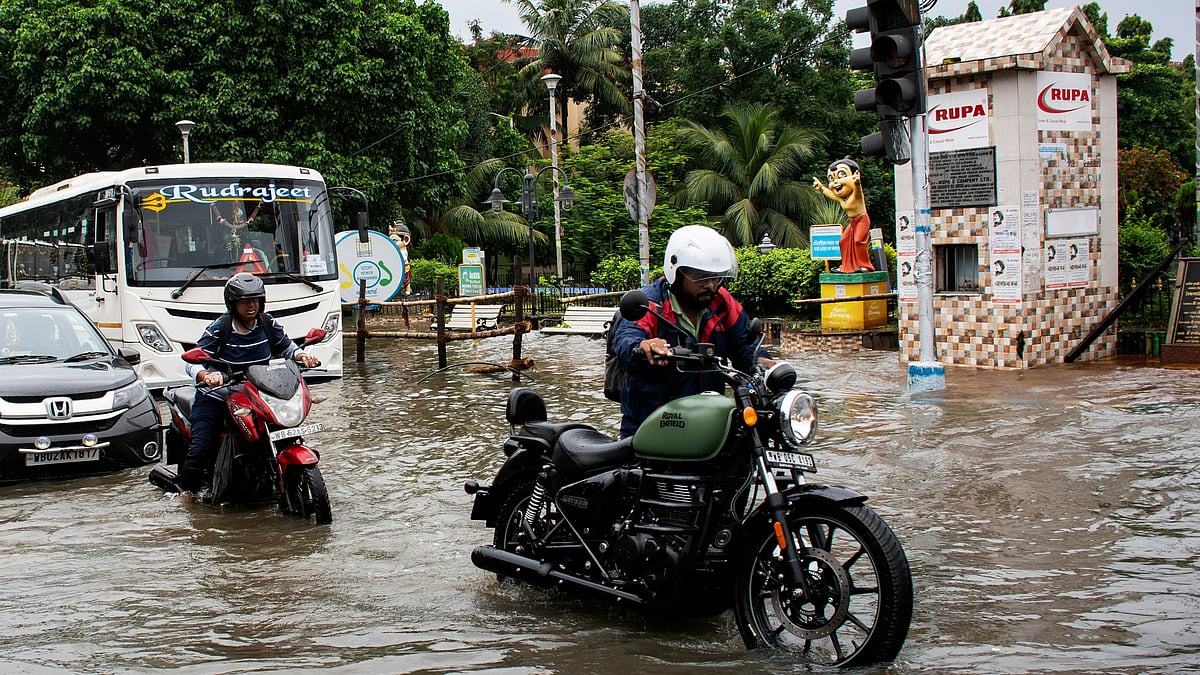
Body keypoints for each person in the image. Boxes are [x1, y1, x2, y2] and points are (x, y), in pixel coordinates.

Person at [611, 226, 774, 437]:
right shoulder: (650, 304)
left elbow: (744, 347)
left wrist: (767, 365)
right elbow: (627, 339)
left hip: (708, 418)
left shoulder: (722, 304)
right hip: (652, 421)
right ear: (676, 272)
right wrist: (644, 347)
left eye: (716, 277)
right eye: (700, 277)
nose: (710, 285)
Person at [176, 272, 320, 499]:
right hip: (217, 395)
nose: (251, 305)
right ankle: (185, 495)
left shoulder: (267, 323)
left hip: (256, 393)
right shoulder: (219, 328)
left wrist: (303, 357)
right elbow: (191, 361)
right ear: (233, 303)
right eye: (244, 301)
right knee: (201, 446)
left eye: (255, 300)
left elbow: (287, 347)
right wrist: (205, 375)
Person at [812, 156, 873, 273]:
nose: (836, 182)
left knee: (858, 241)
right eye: (832, 178)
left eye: (841, 176)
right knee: (843, 241)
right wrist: (821, 188)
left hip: (862, 219)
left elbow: (858, 192)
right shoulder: (842, 198)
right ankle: (846, 266)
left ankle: (865, 266)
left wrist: (857, 183)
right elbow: (829, 193)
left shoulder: (856, 195)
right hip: (853, 221)